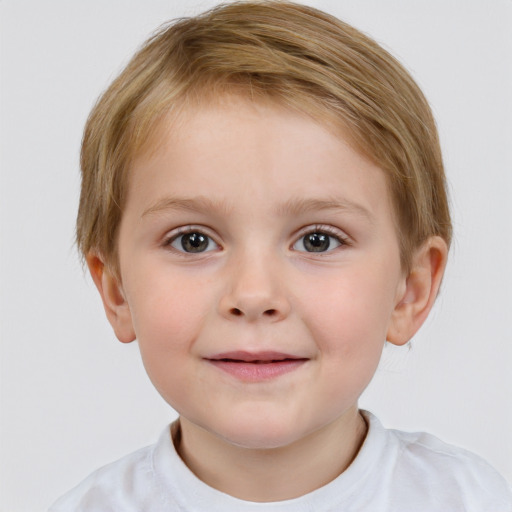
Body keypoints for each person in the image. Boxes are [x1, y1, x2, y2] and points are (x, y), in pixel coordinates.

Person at [49, 1, 512, 510]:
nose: (254, 295)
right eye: (193, 240)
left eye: (318, 240)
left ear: (411, 291)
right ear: (116, 291)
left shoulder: (470, 500)